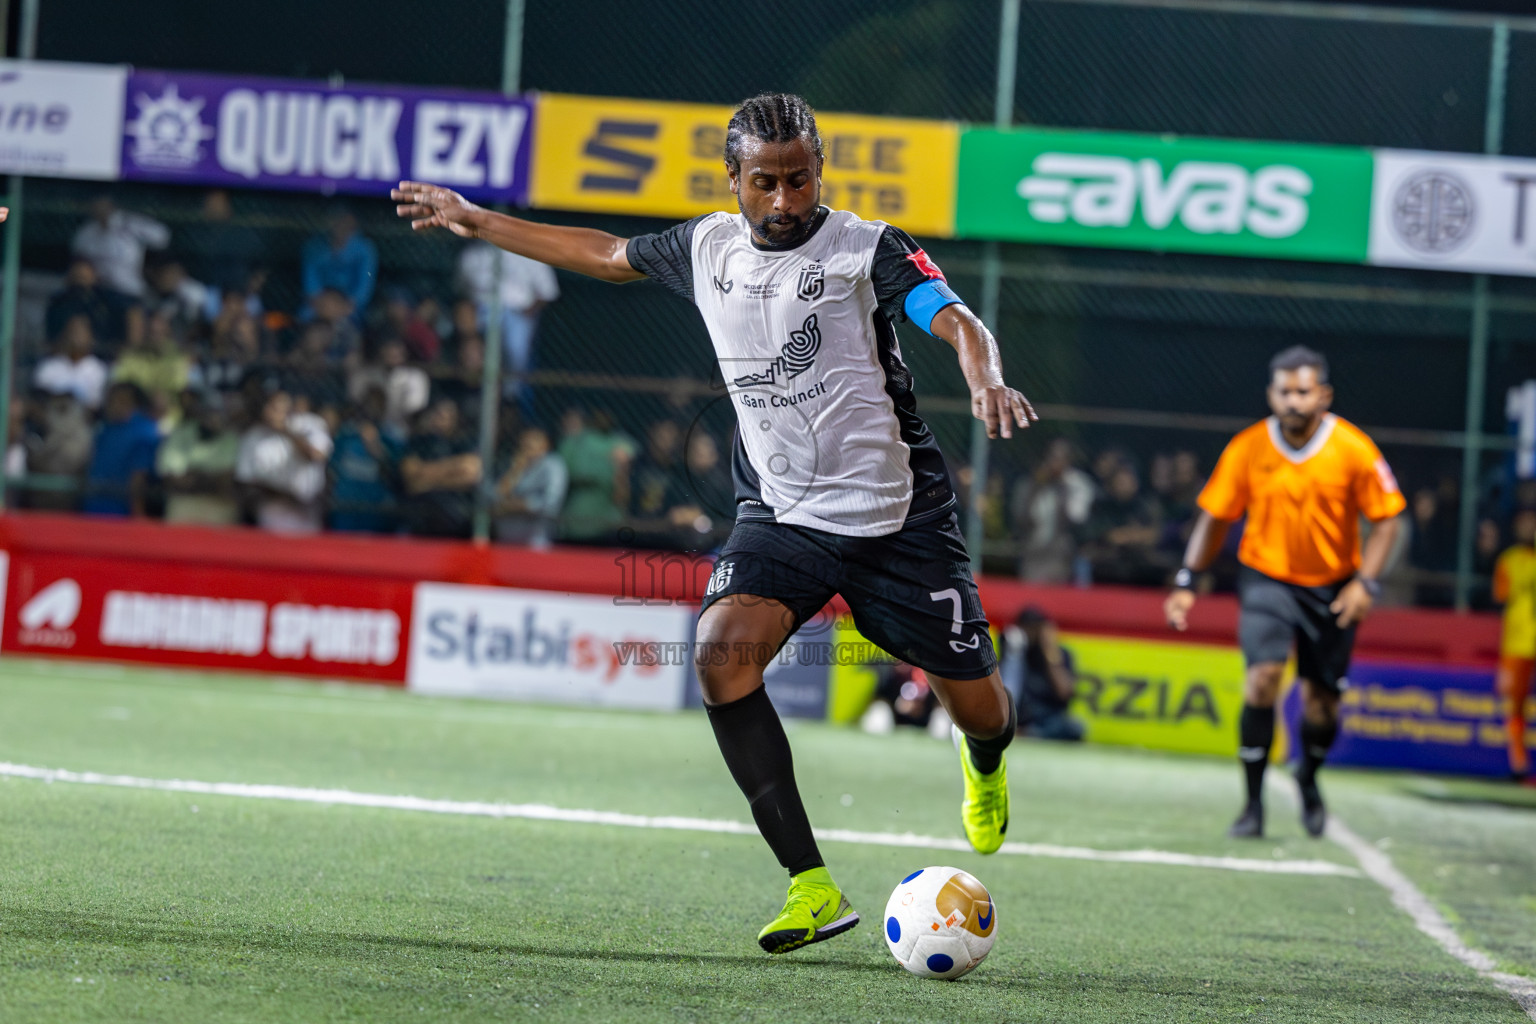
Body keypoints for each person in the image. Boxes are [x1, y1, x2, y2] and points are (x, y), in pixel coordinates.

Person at [395, 92, 1036, 955]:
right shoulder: (706, 247)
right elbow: (605, 254)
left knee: (982, 708)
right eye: (765, 181)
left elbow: (953, 316)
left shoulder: (865, 247)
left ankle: (984, 759)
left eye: (800, 179)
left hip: (897, 518)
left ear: (820, 171)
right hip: (781, 513)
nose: (785, 199)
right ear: (732, 178)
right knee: (720, 657)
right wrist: (477, 220)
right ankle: (810, 885)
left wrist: (984, 374)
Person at [1165, 346, 1405, 839]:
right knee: (1263, 680)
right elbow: (1215, 517)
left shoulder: (1354, 448)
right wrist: (1188, 579)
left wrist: (1366, 583)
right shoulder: (1248, 447)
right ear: (1271, 395)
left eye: (1302, 391)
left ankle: (1308, 777)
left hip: (1333, 587)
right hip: (1266, 579)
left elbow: (1387, 520)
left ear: (1323, 395)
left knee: (1322, 705)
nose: (1293, 401)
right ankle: (1252, 806)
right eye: (1283, 391)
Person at [236, 387, 332, 534]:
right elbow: (245, 481)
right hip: (271, 515)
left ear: (291, 409)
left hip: (309, 512)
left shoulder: (311, 424)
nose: (270, 412)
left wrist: (286, 431)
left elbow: (316, 455)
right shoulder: (253, 436)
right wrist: (285, 497)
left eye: (276, 408)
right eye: (268, 406)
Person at [1493, 508, 1536, 783]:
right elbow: (1500, 595)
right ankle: (1518, 763)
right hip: (1517, 644)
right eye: (1524, 523)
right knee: (1515, 706)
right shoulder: (1508, 560)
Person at [398, 398, 480, 539]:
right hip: (423, 512)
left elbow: (471, 474)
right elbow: (410, 477)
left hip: (457, 513)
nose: (440, 419)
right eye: (438, 414)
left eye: (446, 416)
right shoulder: (418, 441)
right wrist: (454, 468)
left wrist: (426, 479)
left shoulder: (462, 443)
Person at [157, 389, 241, 526]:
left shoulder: (231, 438)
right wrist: (209, 478)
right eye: (209, 412)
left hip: (218, 503)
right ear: (200, 413)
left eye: (218, 413)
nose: (214, 418)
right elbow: (172, 478)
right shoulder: (181, 433)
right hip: (183, 501)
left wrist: (194, 475)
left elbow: (225, 481)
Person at [1000, 606, 1085, 741]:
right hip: (1021, 717)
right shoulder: (1015, 653)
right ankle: (1025, 732)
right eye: (1027, 628)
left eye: (1035, 629)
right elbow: (1007, 690)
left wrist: (1049, 651)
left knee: (1075, 727)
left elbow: (1064, 692)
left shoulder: (1059, 654)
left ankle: (1028, 734)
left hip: (1048, 719)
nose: (1031, 633)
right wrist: (1013, 652)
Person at [82, 382, 160, 517]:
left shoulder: (144, 432)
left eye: (120, 400)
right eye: (110, 400)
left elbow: (139, 476)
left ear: (134, 404)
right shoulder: (106, 429)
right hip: (93, 505)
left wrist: (137, 513)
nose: (112, 405)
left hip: (122, 511)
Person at [71, 196, 169, 298]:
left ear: (112, 207)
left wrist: (132, 223)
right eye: (97, 207)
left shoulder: (129, 223)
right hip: (98, 290)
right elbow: (78, 261)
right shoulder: (86, 232)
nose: (100, 210)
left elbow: (162, 237)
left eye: (104, 206)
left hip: (129, 289)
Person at [495, 426, 568, 548]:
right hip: (506, 539)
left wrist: (523, 505)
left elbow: (551, 501)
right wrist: (515, 470)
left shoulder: (553, 465)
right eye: (525, 441)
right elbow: (496, 496)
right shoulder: (512, 463)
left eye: (534, 440)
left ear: (546, 445)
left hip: (536, 540)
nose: (528, 444)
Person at [301, 206, 377, 320]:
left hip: (351, 308)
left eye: (346, 221)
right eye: (337, 220)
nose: (341, 225)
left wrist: (345, 307)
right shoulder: (313, 247)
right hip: (319, 305)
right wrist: (324, 305)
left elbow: (363, 287)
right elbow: (310, 286)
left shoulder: (366, 249)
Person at [33, 315, 108, 411]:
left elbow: (97, 405)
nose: (76, 337)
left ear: (91, 337)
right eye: (73, 331)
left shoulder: (99, 370)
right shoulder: (48, 367)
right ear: (64, 335)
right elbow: (37, 402)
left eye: (81, 332)